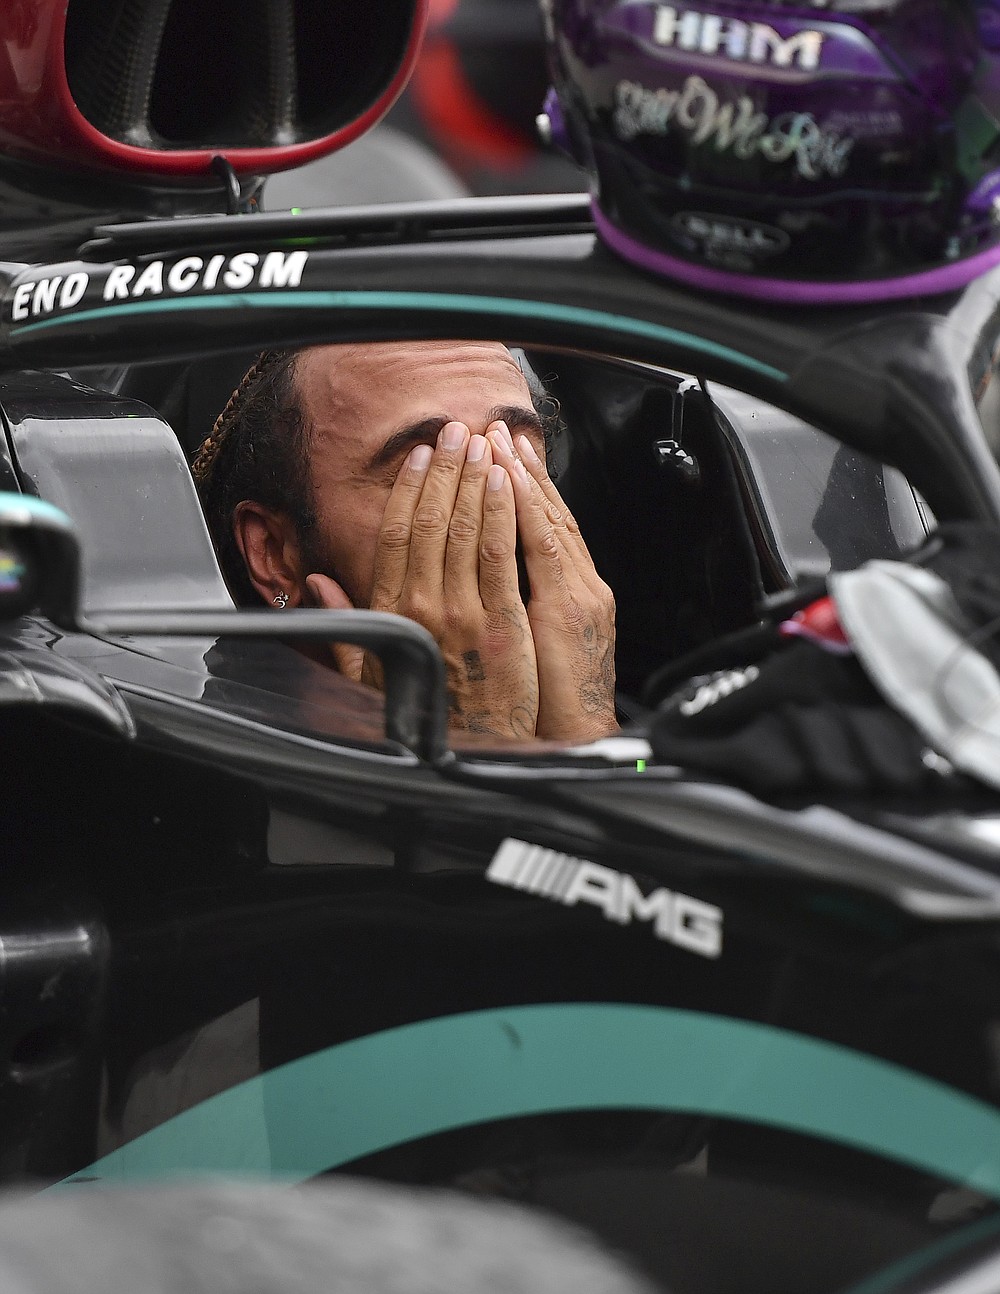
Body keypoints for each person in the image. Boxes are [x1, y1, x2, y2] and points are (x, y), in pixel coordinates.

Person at [192, 340, 617, 744]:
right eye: (426, 467)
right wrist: (472, 746)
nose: (493, 507)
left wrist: (589, 727)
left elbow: (646, 789)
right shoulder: (206, 773)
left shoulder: (637, 719)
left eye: (516, 456)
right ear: (274, 554)